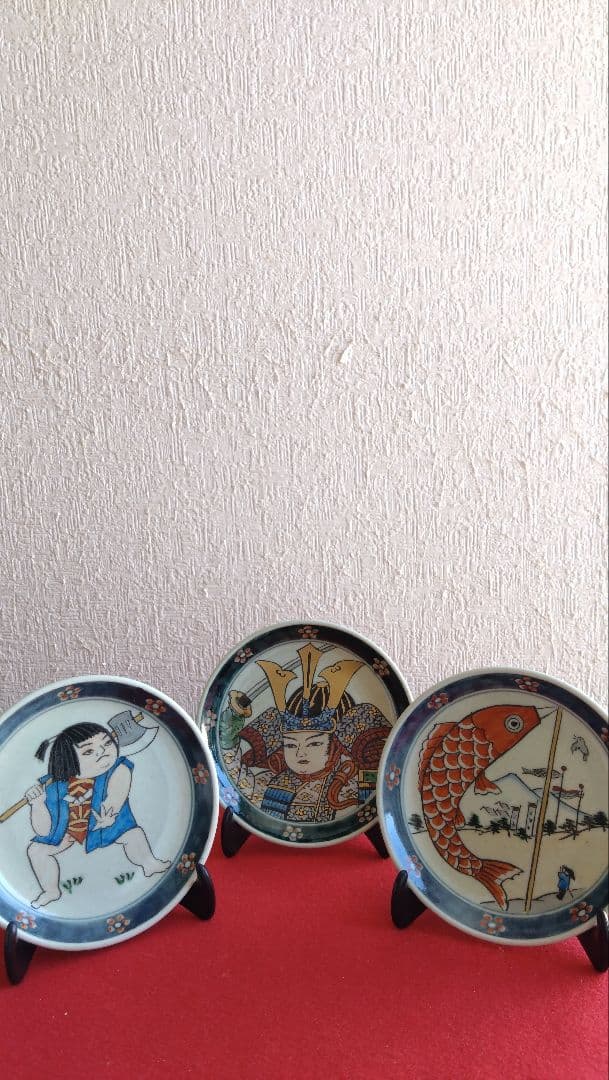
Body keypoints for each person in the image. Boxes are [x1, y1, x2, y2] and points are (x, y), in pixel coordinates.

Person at [222, 644, 390, 824]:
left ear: (335, 745)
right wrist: (232, 720)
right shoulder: (269, 781)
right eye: (290, 744)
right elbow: (233, 774)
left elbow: (384, 788)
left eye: (314, 743)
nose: (300, 753)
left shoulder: (352, 783)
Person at [25, 722, 170, 908]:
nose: (102, 752)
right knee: (36, 850)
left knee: (133, 834)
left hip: (107, 823)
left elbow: (117, 791)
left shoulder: (119, 768)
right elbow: (44, 831)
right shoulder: (52, 785)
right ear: (67, 760)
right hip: (69, 832)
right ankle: (50, 890)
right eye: (88, 751)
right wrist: (37, 805)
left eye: (107, 743)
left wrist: (111, 811)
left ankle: (148, 863)